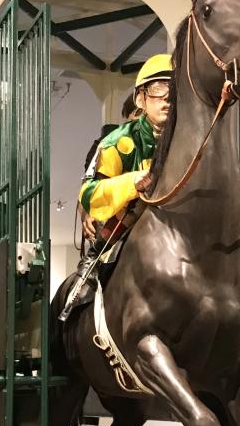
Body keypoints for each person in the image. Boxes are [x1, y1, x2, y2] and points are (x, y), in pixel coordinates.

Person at [60, 55, 173, 319]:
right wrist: (133, 182)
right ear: (140, 99)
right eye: (157, 89)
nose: (167, 98)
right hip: (127, 219)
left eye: (175, 91)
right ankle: (86, 277)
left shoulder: (189, 137)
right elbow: (89, 193)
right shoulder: (115, 142)